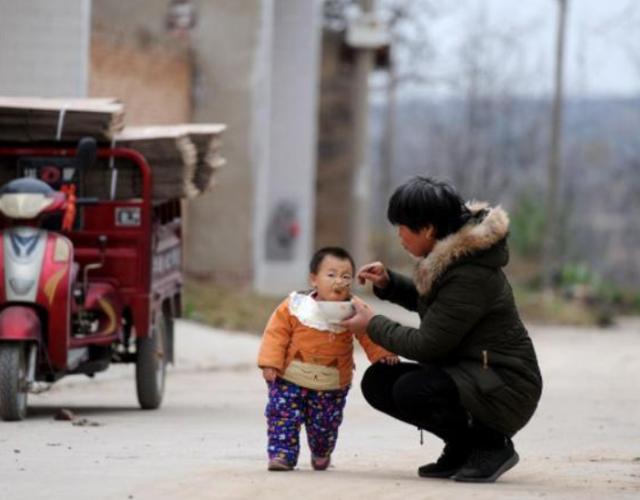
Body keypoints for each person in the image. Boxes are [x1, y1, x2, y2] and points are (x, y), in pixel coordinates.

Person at [341, 177, 543, 483]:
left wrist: (373, 324)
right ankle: (463, 447)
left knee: (412, 390)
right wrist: (389, 283)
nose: (399, 235)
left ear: (428, 230)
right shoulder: (452, 259)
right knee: (379, 381)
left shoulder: (470, 274)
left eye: (403, 227)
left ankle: (490, 445)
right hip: (475, 373)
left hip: (503, 385)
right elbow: (438, 308)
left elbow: (427, 344)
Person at [257, 246, 398, 472]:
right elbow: (276, 333)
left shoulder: (355, 309)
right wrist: (270, 363)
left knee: (324, 425)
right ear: (314, 279)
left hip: (331, 383)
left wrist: (383, 354)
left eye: (345, 276)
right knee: (283, 417)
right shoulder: (295, 306)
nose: (338, 281)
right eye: (330, 275)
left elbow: (369, 332)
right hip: (289, 378)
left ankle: (322, 451)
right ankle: (282, 454)